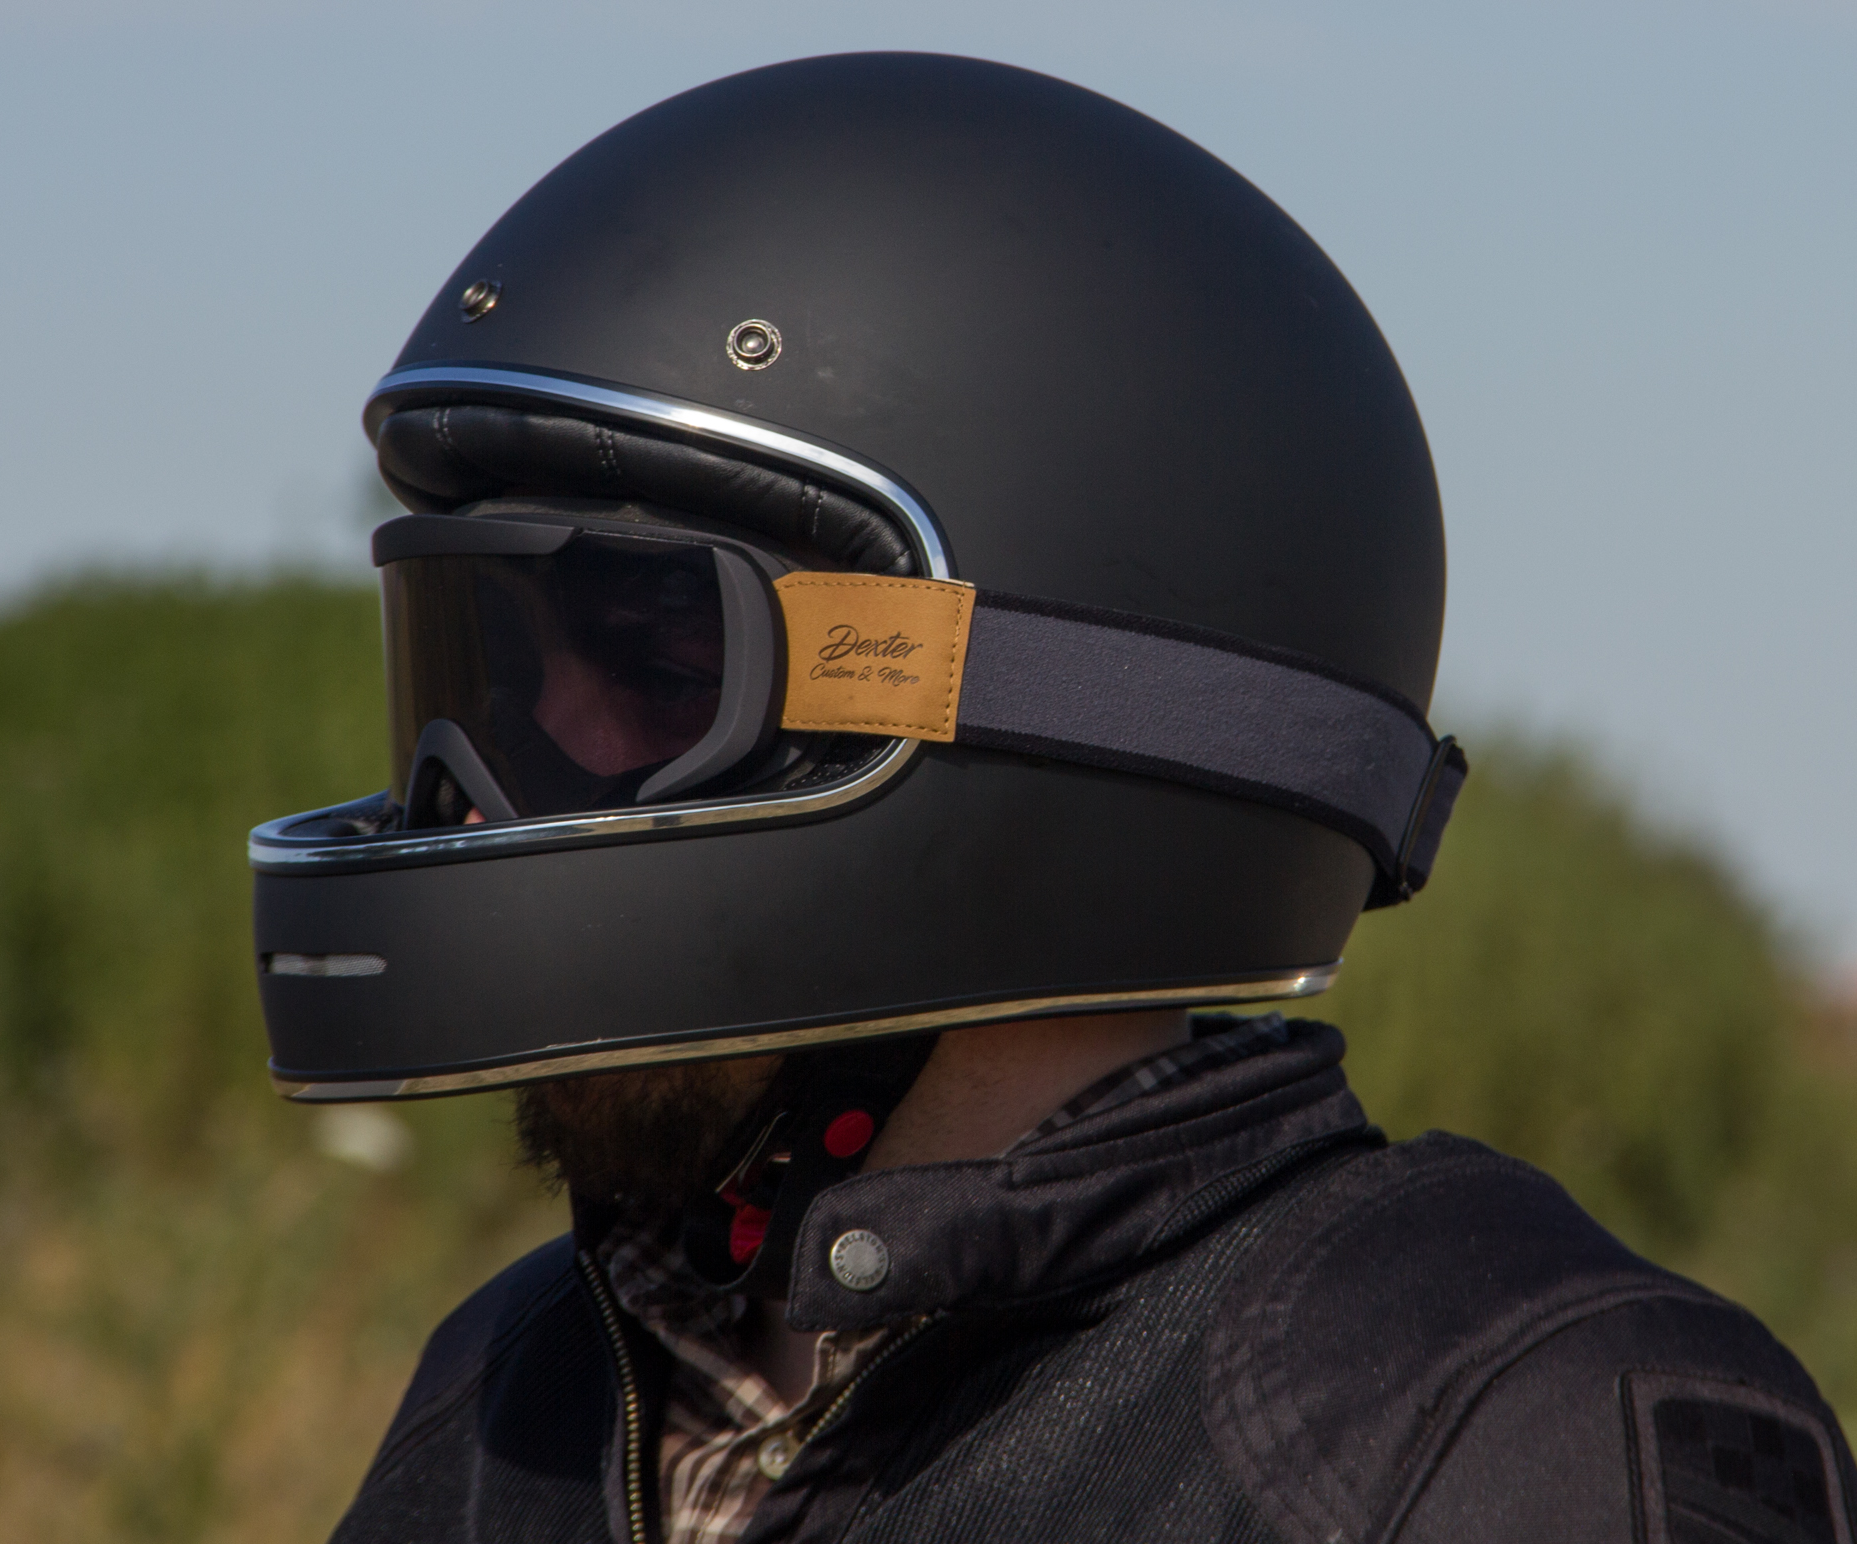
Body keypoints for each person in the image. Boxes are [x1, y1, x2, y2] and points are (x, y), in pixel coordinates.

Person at [245, 53, 1857, 1544]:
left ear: (1052, 713)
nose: (486, 788)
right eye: (488, 665)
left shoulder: (1514, 1424)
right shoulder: (510, 1388)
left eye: (662, 651)